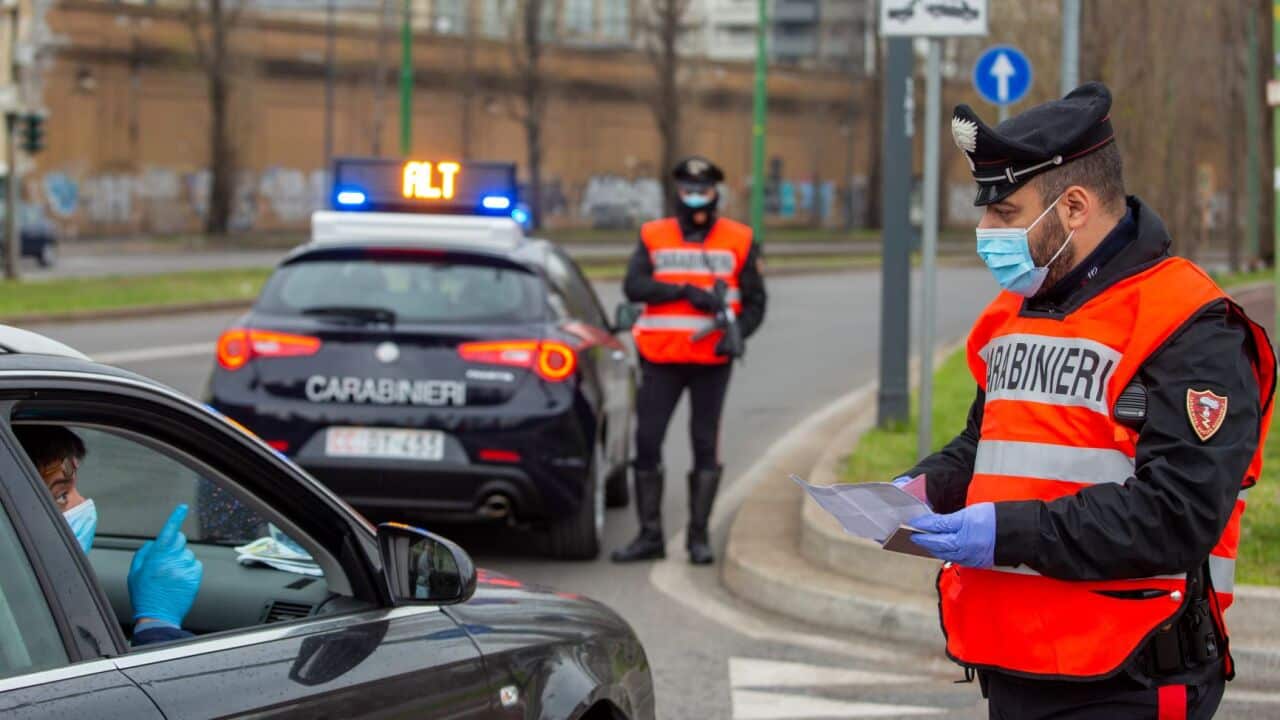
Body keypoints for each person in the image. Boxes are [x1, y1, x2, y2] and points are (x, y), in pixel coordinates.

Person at [895, 82, 1277, 719]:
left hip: (1130, 676)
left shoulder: (1191, 325)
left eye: (1006, 214)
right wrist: (924, 488)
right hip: (1015, 659)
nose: (986, 230)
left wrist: (1007, 532)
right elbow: (988, 439)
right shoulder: (1017, 311)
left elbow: (1177, 513)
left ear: (1073, 207)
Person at [611, 156, 767, 565]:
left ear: (716, 193)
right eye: (687, 190)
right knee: (647, 441)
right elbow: (634, 285)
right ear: (677, 192)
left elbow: (755, 301)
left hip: (711, 362)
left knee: (704, 444)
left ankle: (697, 538)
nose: (695, 197)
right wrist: (685, 291)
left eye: (703, 190)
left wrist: (737, 337)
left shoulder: (739, 239)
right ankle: (649, 536)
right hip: (660, 359)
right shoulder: (653, 235)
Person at [16, 425, 204, 647]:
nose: (83, 504)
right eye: (61, 496)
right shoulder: (17, 617)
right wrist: (158, 626)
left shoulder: (27, 599)